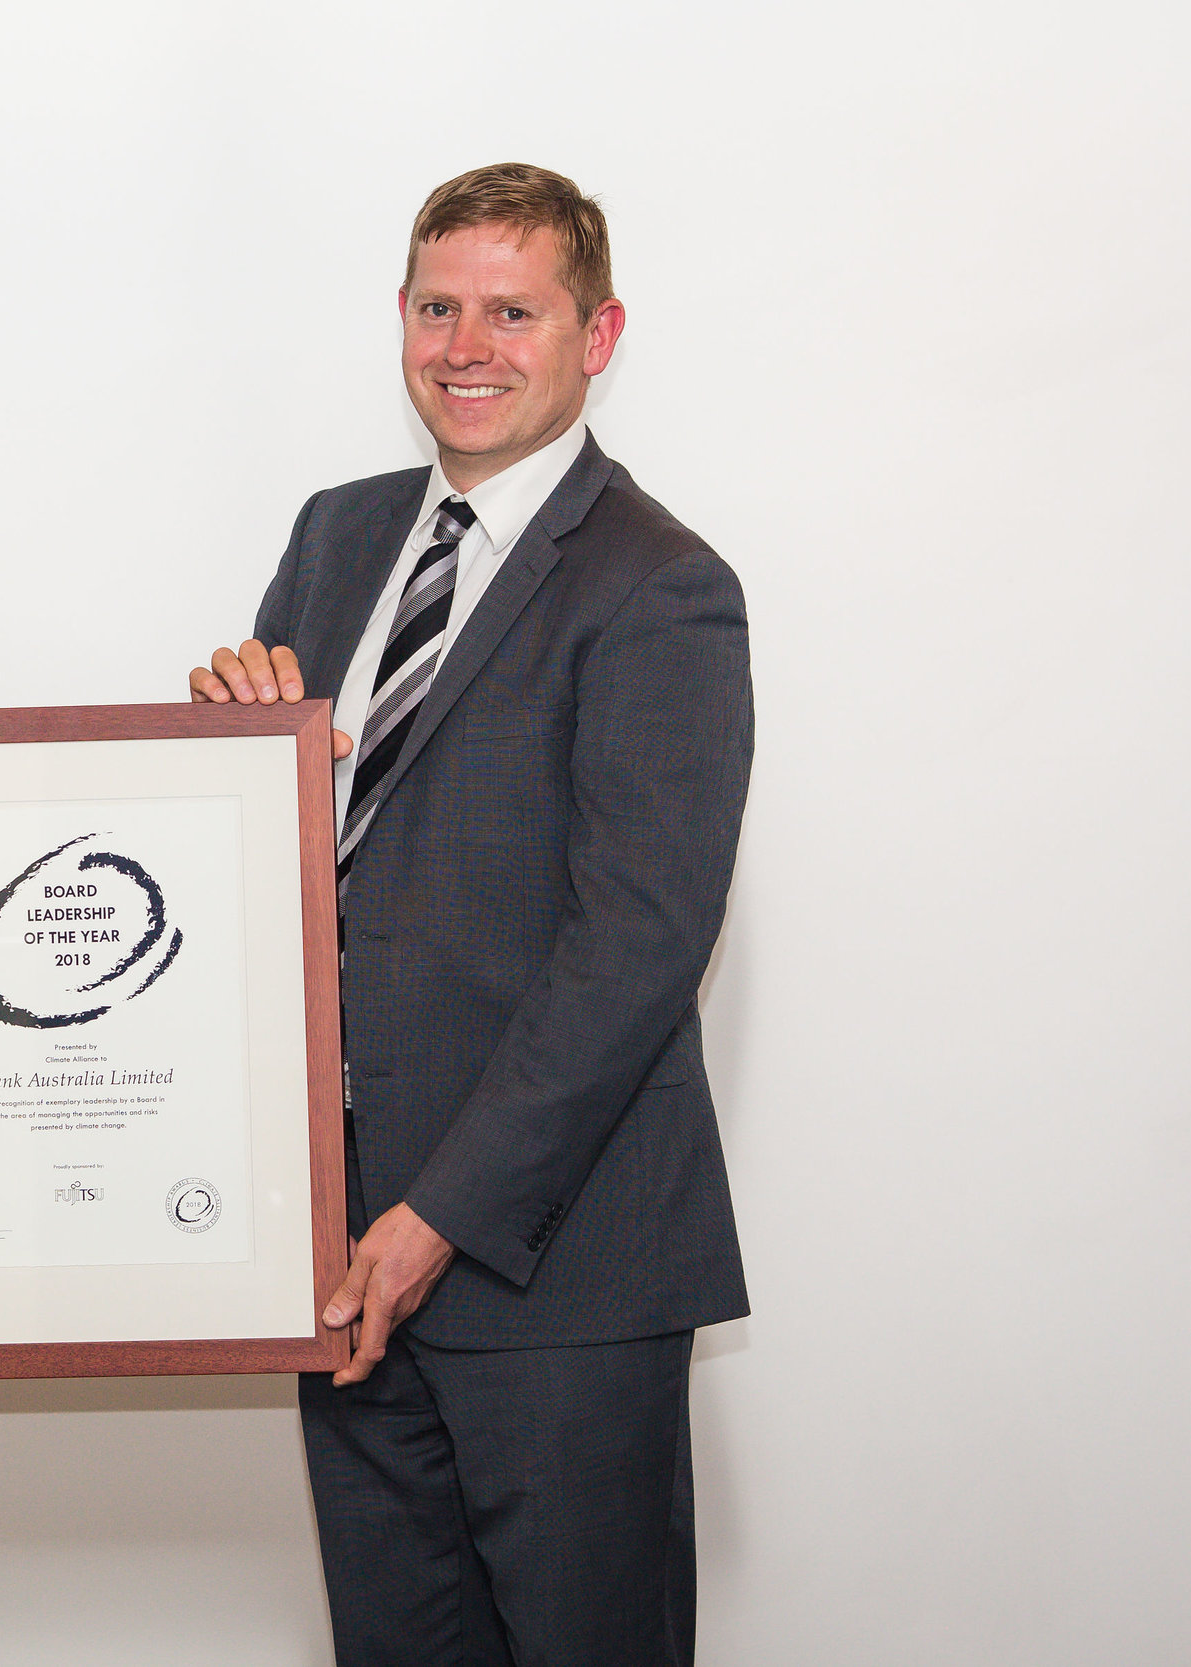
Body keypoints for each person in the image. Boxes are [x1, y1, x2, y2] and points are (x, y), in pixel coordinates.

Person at [190, 165, 753, 1664]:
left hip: (552, 1270)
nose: (467, 346)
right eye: (439, 307)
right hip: (340, 1249)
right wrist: (232, 761)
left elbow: (638, 946)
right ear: (400, 318)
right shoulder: (338, 536)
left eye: (514, 312)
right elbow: (294, 869)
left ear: (598, 335)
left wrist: (435, 1220)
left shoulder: (663, 585)